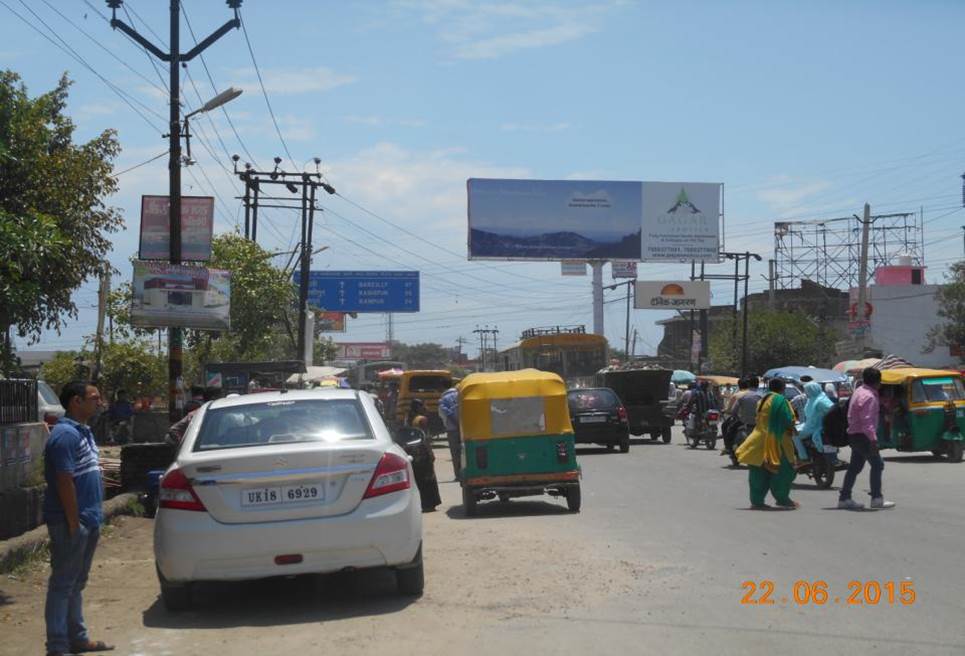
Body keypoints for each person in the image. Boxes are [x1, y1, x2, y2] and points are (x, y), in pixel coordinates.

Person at [43, 381, 114, 656]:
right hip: (72, 522)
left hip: (88, 519)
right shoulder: (65, 436)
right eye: (95, 397)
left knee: (76, 583)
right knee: (63, 584)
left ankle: (77, 638)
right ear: (76, 401)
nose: (99, 402)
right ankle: (58, 646)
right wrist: (74, 523)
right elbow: (64, 481)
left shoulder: (83, 432)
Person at [735, 378, 798, 510]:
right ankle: (782, 499)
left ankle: (757, 501)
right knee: (784, 471)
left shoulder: (763, 400)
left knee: (757, 473)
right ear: (783, 388)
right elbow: (787, 419)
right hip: (777, 441)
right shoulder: (781, 401)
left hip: (758, 440)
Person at [838, 368, 895, 510]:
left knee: (855, 467)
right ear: (878, 382)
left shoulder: (858, 391)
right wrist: (873, 440)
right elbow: (867, 421)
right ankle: (876, 498)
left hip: (854, 435)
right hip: (863, 436)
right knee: (877, 464)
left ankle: (844, 498)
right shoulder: (869, 397)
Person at [405, 399, 442, 511]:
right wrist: (430, 452)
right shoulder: (422, 419)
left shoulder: (408, 418)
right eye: (423, 406)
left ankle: (422, 502)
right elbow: (425, 438)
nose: (425, 408)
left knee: (418, 478)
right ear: (418, 407)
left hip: (412, 451)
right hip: (423, 451)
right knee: (428, 477)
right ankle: (429, 503)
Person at [792, 381, 835, 463]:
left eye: (806, 391)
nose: (805, 393)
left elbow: (831, 410)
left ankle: (803, 457)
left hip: (813, 427)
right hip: (812, 424)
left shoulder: (819, 401)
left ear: (811, 390)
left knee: (794, 435)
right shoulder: (819, 398)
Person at [438, 386, 461, 481]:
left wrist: (454, 423)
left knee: (455, 454)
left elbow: (444, 414)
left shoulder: (443, 400)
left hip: (452, 430)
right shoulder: (461, 394)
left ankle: (458, 475)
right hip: (467, 428)